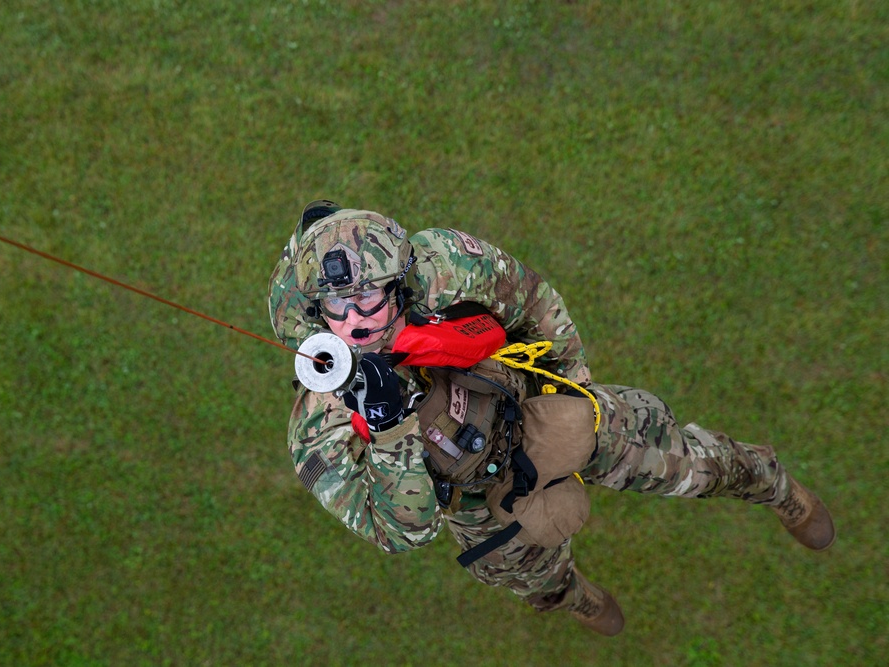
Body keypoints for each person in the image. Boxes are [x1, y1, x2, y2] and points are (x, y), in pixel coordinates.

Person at [267, 201, 836, 636]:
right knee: (530, 574)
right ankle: (576, 600)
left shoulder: (445, 267)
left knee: (681, 461)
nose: (359, 323)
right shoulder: (319, 424)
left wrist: (572, 390)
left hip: (527, 407)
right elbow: (402, 531)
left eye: (372, 300)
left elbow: (532, 301)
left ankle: (773, 486)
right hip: (474, 502)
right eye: (340, 308)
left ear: (400, 284)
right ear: (318, 308)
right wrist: (389, 428)